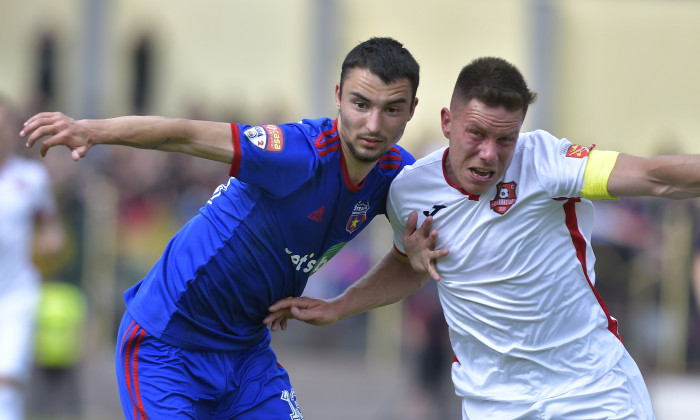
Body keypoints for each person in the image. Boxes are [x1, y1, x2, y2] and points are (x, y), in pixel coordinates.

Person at [265, 56, 700, 419]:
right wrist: (340, 305)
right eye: (476, 133)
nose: (490, 153)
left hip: (592, 391)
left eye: (505, 139)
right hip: (495, 404)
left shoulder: (547, 161)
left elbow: (655, 176)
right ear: (447, 123)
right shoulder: (409, 191)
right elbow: (407, 262)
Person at [21, 37, 427, 419]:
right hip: (165, 346)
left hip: (246, 356)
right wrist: (91, 131)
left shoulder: (400, 177)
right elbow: (185, 134)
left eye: (391, 109)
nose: (373, 125)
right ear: (338, 96)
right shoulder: (296, 153)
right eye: (360, 104)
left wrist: (340, 305)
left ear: (411, 110)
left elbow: (411, 263)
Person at [0, 97, 65, 420]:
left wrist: (51, 244)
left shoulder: (31, 178)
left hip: (16, 294)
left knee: (6, 380)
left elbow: (51, 226)